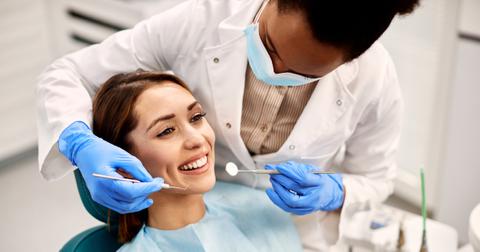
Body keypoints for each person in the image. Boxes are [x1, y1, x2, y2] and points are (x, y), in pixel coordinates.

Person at [36, 0, 420, 249]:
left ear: (348, 61)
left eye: (302, 73)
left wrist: (337, 192)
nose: (274, 70)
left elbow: (376, 176)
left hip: (287, 231)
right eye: (269, 45)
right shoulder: (202, 20)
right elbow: (66, 75)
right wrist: (77, 141)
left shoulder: (374, 78)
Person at [91, 70, 302, 251]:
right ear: (125, 166)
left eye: (196, 117)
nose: (197, 139)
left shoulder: (261, 209)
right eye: (166, 131)